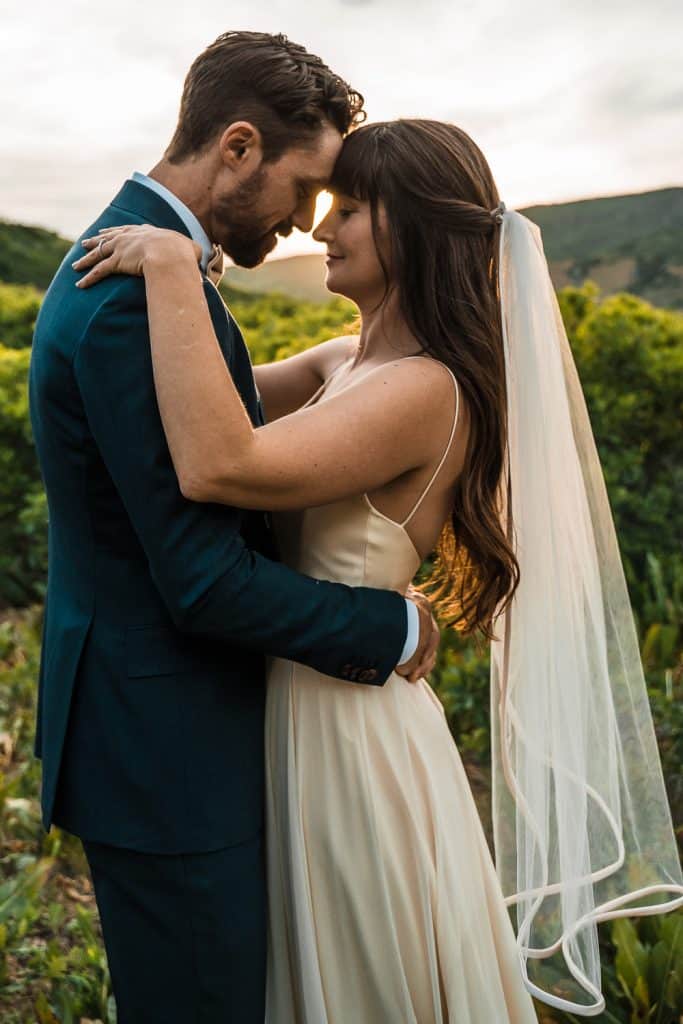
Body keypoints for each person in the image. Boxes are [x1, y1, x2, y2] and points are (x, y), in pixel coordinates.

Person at [77, 116, 683, 1022]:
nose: (322, 228)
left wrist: (167, 265)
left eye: (350, 208)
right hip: (296, 697)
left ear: (416, 230)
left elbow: (221, 463)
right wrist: (186, 284)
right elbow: (193, 401)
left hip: (349, 730)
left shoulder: (424, 388)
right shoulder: (346, 362)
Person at [29, 34, 441, 1024]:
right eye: (307, 189)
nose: (308, 224)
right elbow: (204, 576)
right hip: (171, 757)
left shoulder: (149, 266)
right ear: (240, 146)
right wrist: (392, 630)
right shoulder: (135, 293)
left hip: (164, 736)